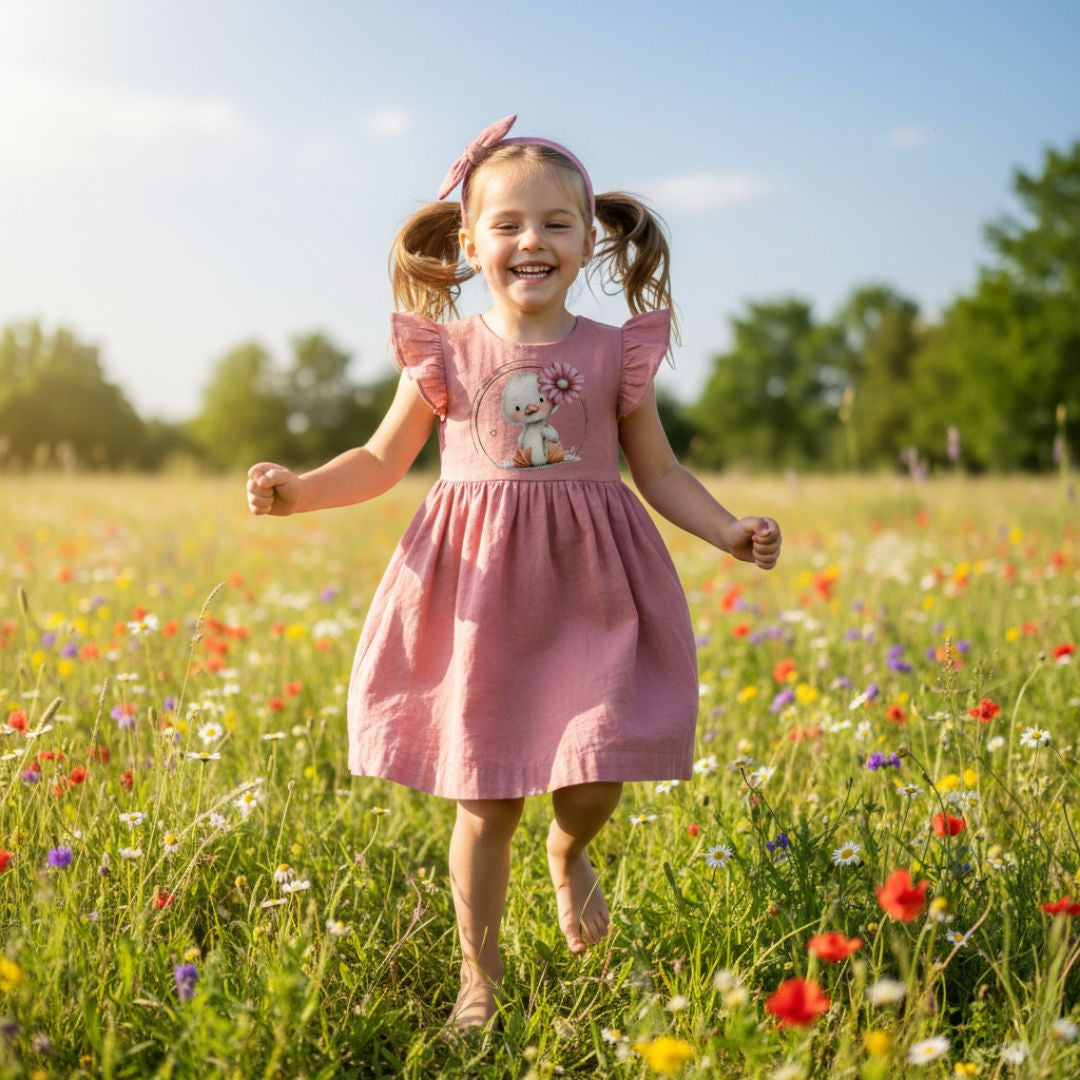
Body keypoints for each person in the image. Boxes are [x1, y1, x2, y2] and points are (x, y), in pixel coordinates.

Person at [245, 114, 782, 1036]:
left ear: (587, 242)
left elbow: (656, 473)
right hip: (478, 600)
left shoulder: (617, 354)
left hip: (593, 594)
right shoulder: (443, 352)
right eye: (507, 224)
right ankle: (477, 981)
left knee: (596, 773)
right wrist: (300, 491)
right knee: (486, 800)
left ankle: (570, 856)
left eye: (554, 224)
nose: (531, 240)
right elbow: (378, 462)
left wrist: (726, 529)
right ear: (470, 243)